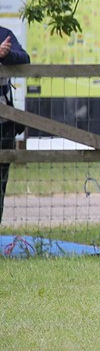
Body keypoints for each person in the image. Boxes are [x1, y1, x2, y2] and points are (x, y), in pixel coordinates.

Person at [0, 25, 30, 224]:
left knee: (0, 183)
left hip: (3, 126)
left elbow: (24, 59)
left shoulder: (4, 34)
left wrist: (6, 55)